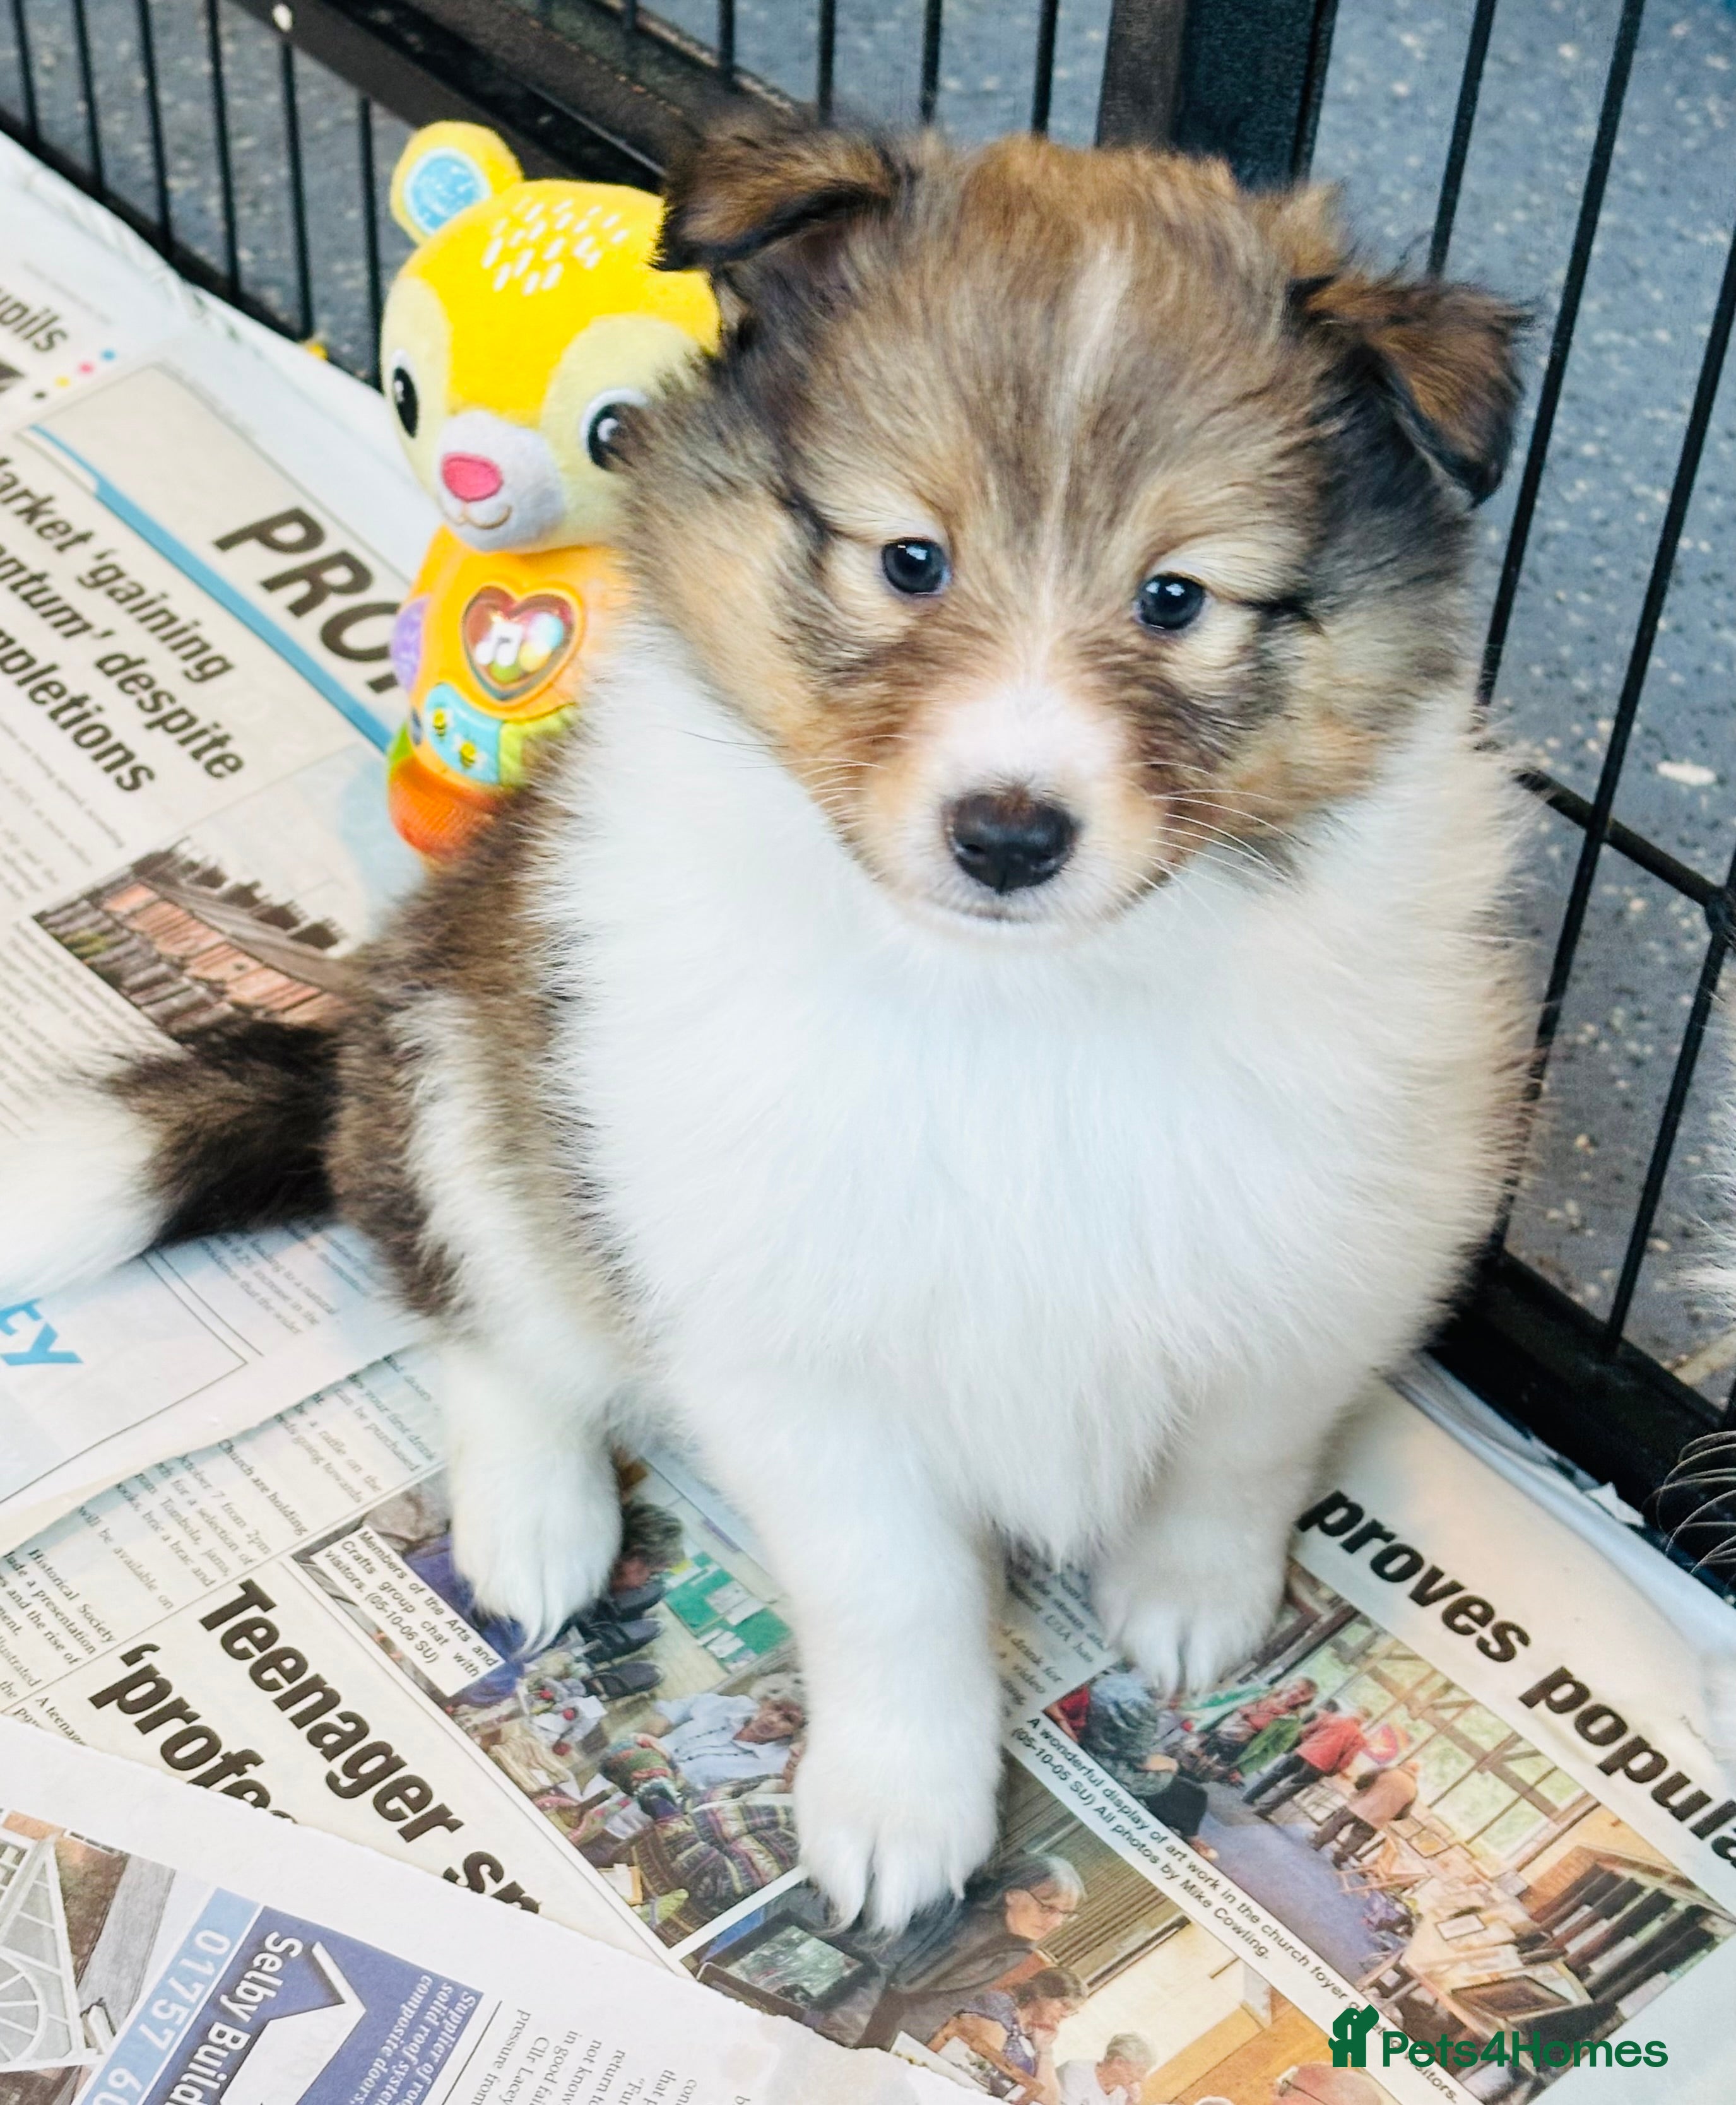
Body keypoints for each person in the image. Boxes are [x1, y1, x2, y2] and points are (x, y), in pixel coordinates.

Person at [856, 1853, 1086, 2051]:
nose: (1056, 1923)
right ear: (1012, 1894)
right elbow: (891, 1977)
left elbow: (941, 2004)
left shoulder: (1020, 1946)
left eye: (1065, 1914)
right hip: (860, 2011)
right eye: (1047, 1907)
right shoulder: (963, 1917)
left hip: (895, 2035)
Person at [605, 1675, 806, 1796]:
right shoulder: (735, 1706)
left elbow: (721, 1799)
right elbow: (688, 1704)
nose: (773, 1719)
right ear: (766, 1700)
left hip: (652, 1804)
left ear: (797, 1730)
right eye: (776, 1707)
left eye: (788, 1719)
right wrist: (658, 1724)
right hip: (624, 1766)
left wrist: (669, 1771)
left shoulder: (776, 1764)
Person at [945, 1966, 1085, 2101]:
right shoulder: (999, 2005)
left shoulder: (1035, 2036)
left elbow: (1048, 2100)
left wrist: (1044, 2052)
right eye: (1064, 2005)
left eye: (1071, 2012)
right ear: (1042, 1994)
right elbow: (985, 2062)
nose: (1065, 2014)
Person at [1243, 1702, 1366, 1817]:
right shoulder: (1359, 1739)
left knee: (1276, 1774)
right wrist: (1330, 1772)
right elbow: (1345, 1761)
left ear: (1354, 1712)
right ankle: (1262, 1810)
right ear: (1365, 1720)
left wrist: (1308, 1742)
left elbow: (1304, 1730)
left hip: (1303, 1752)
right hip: (1320, 1765)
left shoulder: (1333, 1718)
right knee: (1291, 1788)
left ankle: (1250, 1796)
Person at [1310, 1758, 1420, 1866]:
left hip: (1360, 1805)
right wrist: (1388, 1814)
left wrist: (1360, 1789)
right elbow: (1403, 1814)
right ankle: (1340, 1858)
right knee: (1358, 1839)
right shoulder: (1414, 1791)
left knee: (1336, 1823)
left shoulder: (1387, 1771)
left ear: (1404, 1765)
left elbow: (1363, 1780)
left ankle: (1318, 1842)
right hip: (1377, 1819)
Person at [1057, 2033, 1156, 2104]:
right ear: (1119, 2062)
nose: (1142, 2079)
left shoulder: (1122, 2094)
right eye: (1141, 2071)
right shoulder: (1076, 2072)